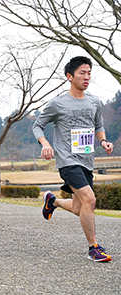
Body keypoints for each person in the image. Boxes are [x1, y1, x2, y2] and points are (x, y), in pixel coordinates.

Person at [33, 56, 114, 262]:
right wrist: (45, 143)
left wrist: (103, 141)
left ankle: (54, 201)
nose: (87, 77)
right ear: (69, 76)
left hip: (87, 161)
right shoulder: (58, 103)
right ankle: (93, 248)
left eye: (89, 73)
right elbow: (37, 125)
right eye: (82, 73)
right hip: (68, 161)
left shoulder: (94, 102)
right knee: (90, 199)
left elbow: (98, 126)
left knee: (79, 208)